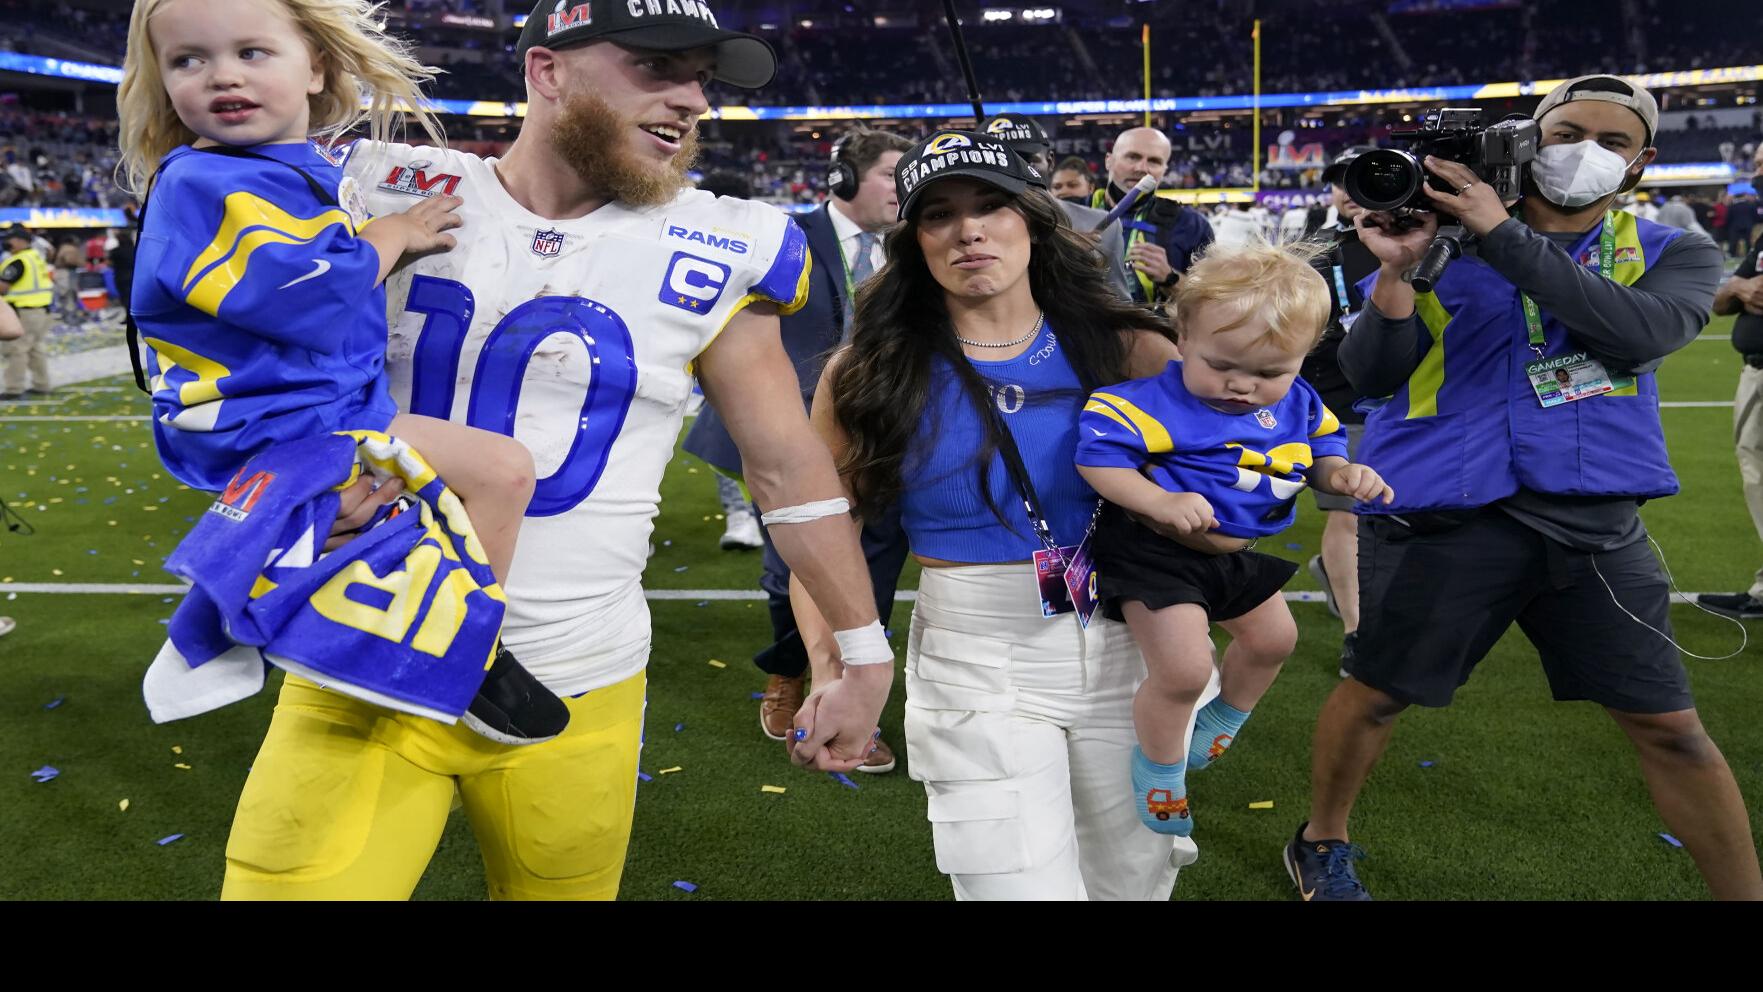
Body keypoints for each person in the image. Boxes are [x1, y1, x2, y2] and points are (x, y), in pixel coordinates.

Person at [205, 0, 889, 900]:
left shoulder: (723, 241)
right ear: (546, 71)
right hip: (366, 657)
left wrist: (862, 648)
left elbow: (785, 466)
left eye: (699, 77)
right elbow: (241, 374)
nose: (690, 99)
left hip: (580, 677)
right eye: (657, 68)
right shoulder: (378, 188)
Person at [1286, 75, 1762, 901]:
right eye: (1564, 130)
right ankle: (1320, 838)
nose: (1583, 151)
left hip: (1591, 520)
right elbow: (1365, 377)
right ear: (1524, 137)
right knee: (1374, 697)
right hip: (1439, 511)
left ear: (1640, 163)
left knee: (1671, 728)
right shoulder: (1431, 236)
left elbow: (1637, 334)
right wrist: (1397, 274)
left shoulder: (1673, 251)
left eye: (1610, 142)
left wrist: (1499, 233)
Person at [118, 0, 565, 747]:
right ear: (161, 81)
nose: (222, 74)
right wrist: (390, 236)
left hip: (313, 410)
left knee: (441, 497)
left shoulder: (285, 168)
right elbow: (302, 299)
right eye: (187, 60)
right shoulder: (204, 179)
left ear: (316, 66)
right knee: (501, 470)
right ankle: (462, 646)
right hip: (273, 424)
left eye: (252, 53)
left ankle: (283, 598)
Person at [789, 129, 1212, 899]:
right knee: (1010, 887)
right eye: (938, 215)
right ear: (914, 241)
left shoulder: (1128, 350)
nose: (969, 230)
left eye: (992, 206)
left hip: (1131, 643)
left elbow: (1228, 487)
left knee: (1133, 880)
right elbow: (824, 532)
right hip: (974, 656)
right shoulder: (869, 370)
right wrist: (832, 668)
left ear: (1035, 218)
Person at [1075, 241, 1393, 838]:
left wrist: (1342, 474)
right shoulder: (1145, 402)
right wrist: (1159, 500)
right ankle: (1161, 770)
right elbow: (1098, 460)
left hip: (1235, 551)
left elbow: (1320, 452)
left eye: (1270, 372)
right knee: (1185, 670)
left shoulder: (1298, 401)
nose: (1242, 386)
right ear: (1183, 336)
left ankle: (1226, 716)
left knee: (1276, 639)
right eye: (1222, 366)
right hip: (1156, 555)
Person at [684, 127, 914, 771]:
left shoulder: (917, 248)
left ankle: (851, 688)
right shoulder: (779, 237)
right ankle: (791, 672)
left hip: (880, 438)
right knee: (791, 570)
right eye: (891, 175)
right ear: (843, 178)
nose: (903, 191)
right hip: (785, 437)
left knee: (876, 567)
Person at [1302, 146, 1383, 676]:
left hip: (1418, 407)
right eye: (1341, 181)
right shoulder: (1316, 252)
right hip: (1339, 399)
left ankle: (1339, 578)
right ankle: (1357, 632)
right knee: (1347, 515)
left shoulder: (1434, 245)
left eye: (1365, 179)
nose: (1350, 190)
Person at [1697, 146, 1763, 621]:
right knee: (1757, 477)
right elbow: (1720, 301)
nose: (1757, 174)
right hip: (1755, 370)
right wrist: (1741, 288)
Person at [984, 114, 1132, 299]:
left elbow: (1119, 308)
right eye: (1002, 162)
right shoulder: (968, 232)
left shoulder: (1102, 225)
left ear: (1050, 161)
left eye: (1028, 161)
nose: (1017, 172)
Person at [1090, 126, 1215, 306]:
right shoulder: (1072, 211)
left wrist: (1170, 278)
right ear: (1109, 160)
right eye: (1132, 157)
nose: (1142, 168)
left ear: (1164, 170)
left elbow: (1210, 304)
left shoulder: (1192, 225)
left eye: (1154, 161)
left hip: (1155, 330)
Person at [0, 226, 53, 400]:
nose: (8, 243)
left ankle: (13, 388)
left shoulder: (17, 261)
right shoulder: (35, 256)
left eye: (11, 239)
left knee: (17, 349)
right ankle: (42, 384)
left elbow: (3, 288)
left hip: (24, 311)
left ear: (22, 241)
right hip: (41, 309)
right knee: (35, 348)